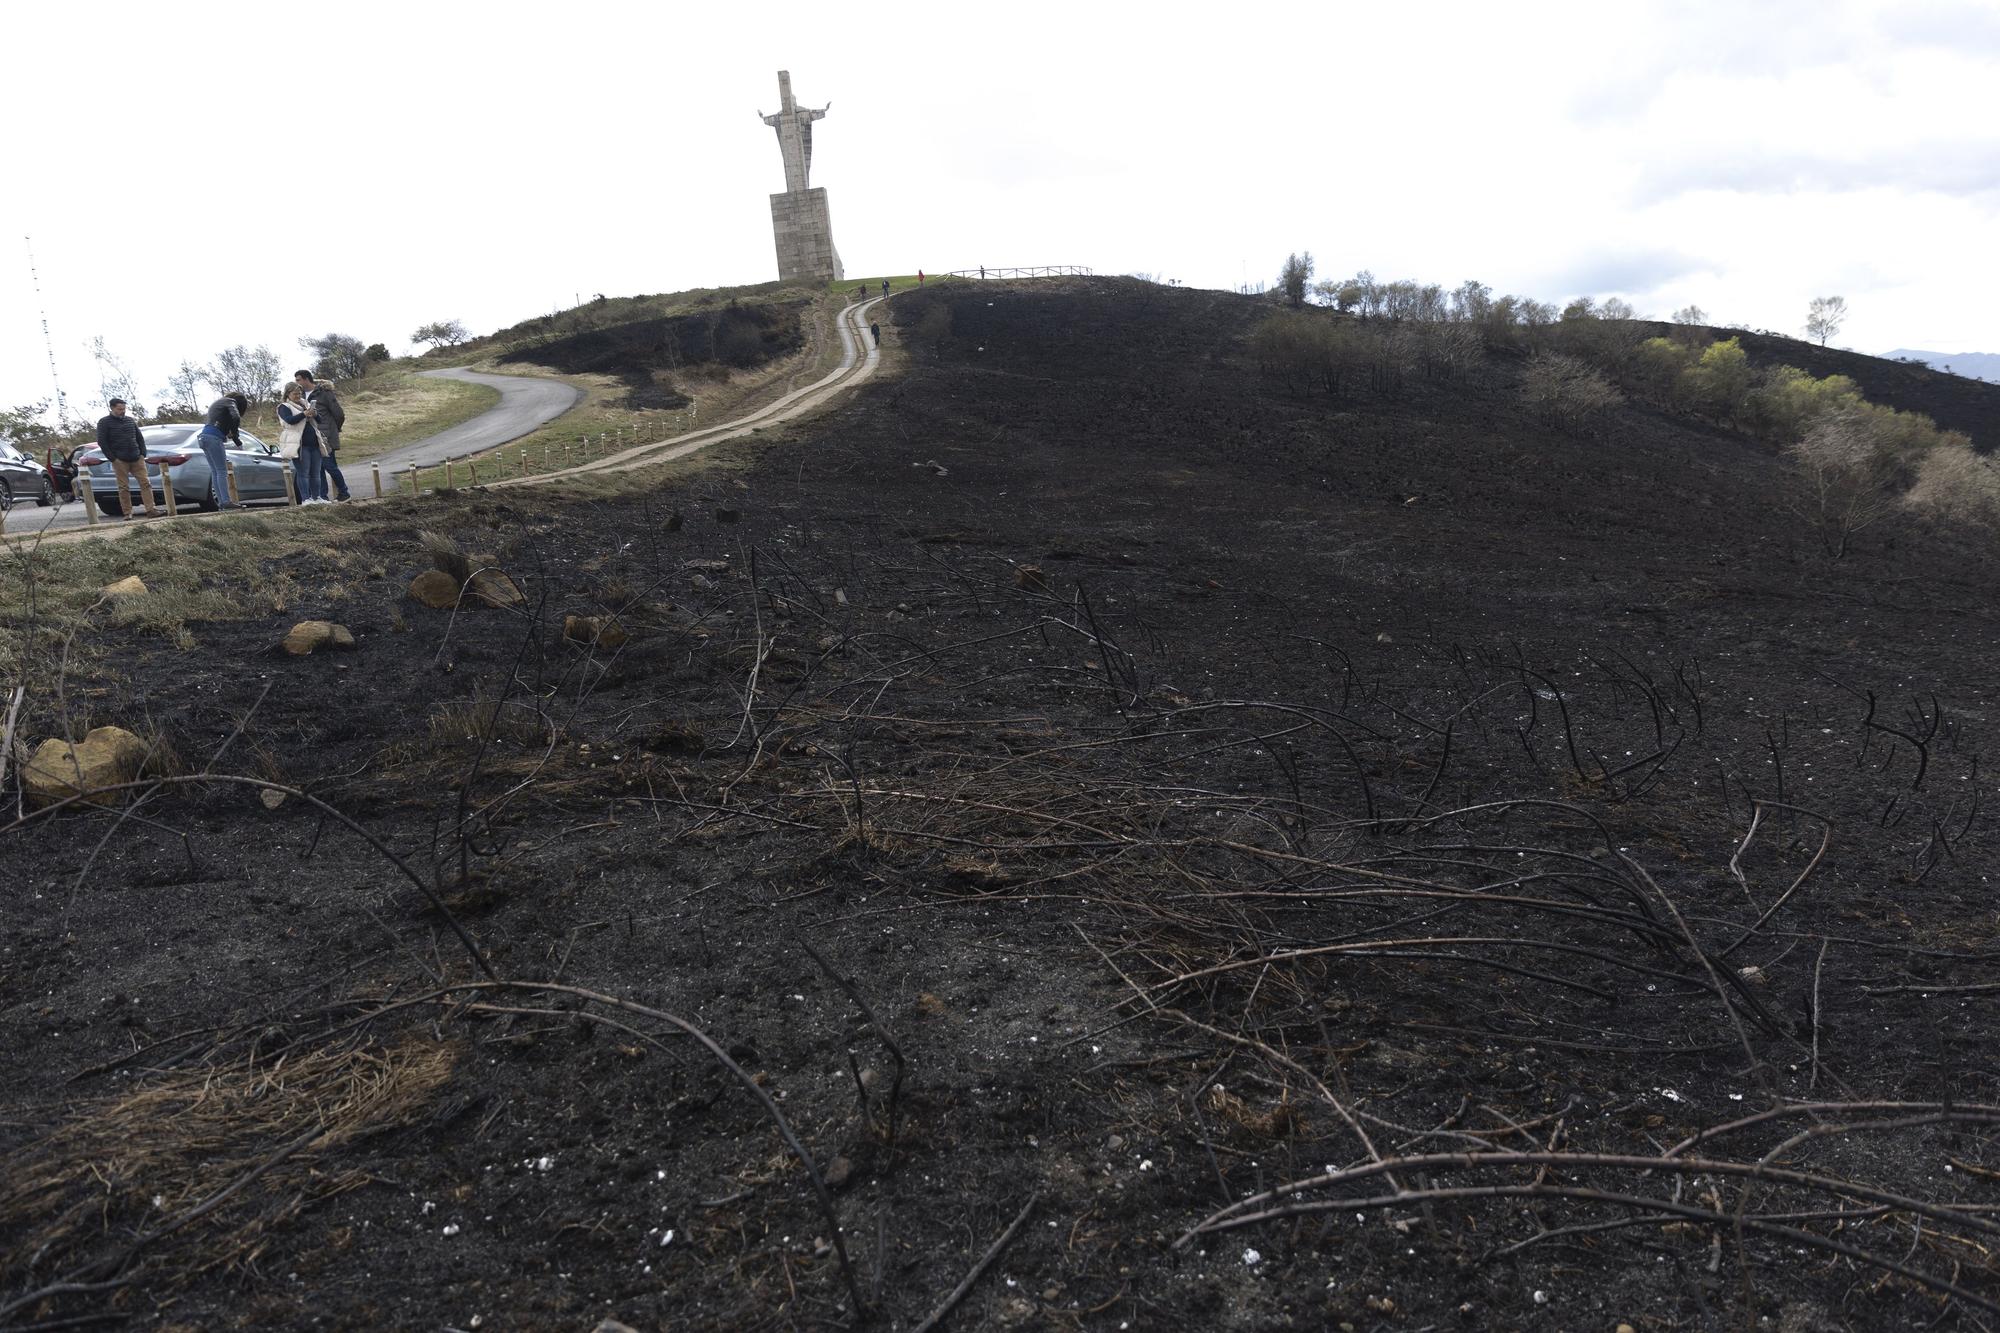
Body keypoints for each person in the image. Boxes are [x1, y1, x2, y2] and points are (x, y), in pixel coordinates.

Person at [95, 398, 157, 519]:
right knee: (123, 487)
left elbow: (139, 438)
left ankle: (151, 510)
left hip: (136, 457)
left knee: (146, 483)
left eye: (124, 409)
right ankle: (127, 513)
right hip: (119, 460)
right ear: (112, 408)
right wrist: (113, 459)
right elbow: (102, 442)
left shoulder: (130, 420)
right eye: (119, 409)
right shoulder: (104, 422)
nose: (122, 411)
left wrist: (142, 454)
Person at [297, 370, 350, 500]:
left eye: (298, 380)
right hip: (311, 438)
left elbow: (339, 414)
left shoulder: (324, 393)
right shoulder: (300, 396)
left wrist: (334, 430)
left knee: (330, 466)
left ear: (306, 379)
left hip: (326, 436)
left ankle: (344, 493)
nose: (296, 383)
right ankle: (322, 497)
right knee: (318, 469)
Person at [197, 392, 249, 509]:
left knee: (215, 471)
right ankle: (226, 501)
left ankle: (222, 502)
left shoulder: (220, 405)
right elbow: (236, 417)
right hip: (213, 438)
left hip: (204, 437)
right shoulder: (230, 402)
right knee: (221, 471)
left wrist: (238, 442)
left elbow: (231, 425)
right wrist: (234, 432)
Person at [277, 383, 326, 504]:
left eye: (299, 393)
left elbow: (320, 420)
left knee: (316, 473)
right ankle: (305, 499)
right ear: (288, 394)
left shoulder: (306, 404)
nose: (298, 396)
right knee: (303, 473)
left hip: (314, 443)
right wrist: (304, 414)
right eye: (295, 394)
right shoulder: (284, 407)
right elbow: (290, 420)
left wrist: (314, 414)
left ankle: (317, 497)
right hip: (299, 444)